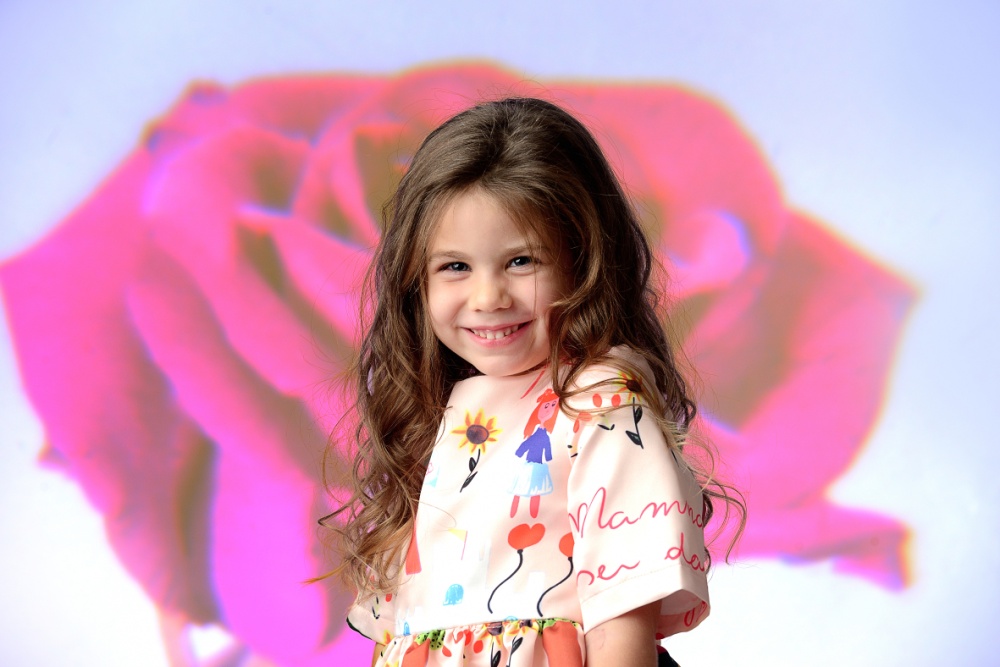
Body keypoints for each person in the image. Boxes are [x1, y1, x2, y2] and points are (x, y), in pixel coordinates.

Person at [327, 97, 744, 666]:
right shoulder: (451, 410)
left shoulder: (600, 403)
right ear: (415, 280)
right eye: (455, 266)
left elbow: (621, 620)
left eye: (521, 261)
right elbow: (412, 630)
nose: (488, 297)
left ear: (584, 259)